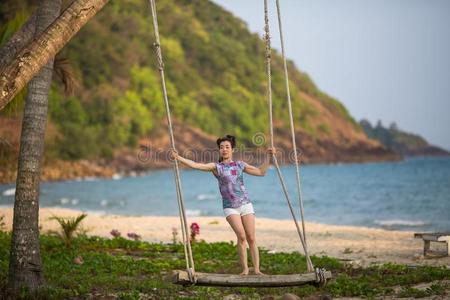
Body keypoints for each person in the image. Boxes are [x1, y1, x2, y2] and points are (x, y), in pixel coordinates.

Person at [169, 134, 276, 275]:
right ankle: (245, 270)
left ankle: (256, 270)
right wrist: (178, 158)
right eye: (221, 147)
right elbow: (196, 165)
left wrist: (269, 157)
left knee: (251, 237)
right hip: (230, 207)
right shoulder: (216, 167)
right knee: (242, 236)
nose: (224, 149)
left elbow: (261, 172)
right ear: (219, 150)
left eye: (227, 147)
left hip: (246, 204)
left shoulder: (240, 165)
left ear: (232, 149)